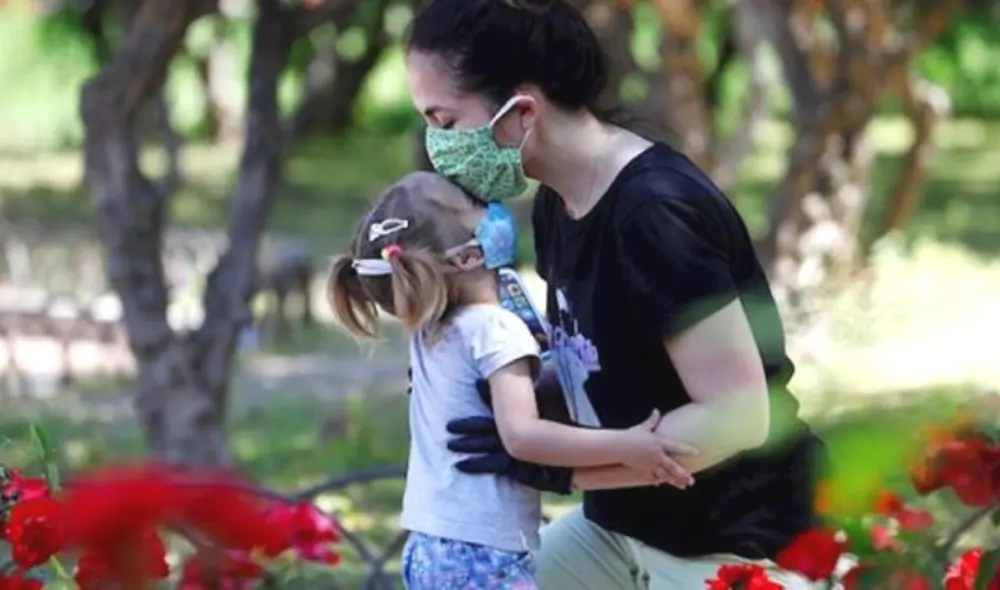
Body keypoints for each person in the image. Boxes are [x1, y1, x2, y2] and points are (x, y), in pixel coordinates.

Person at [404, 0, 829, 588]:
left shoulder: (654, 215)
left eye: (445, 121)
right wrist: (502, 384)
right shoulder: (560, 200)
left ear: (522, 110)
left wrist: (559, 471)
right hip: (621, 528)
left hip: (733, 542)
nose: (435, 144)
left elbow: (737, 415)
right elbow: (599, 364)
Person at [326, 172, 698, 589]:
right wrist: (628, 446)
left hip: (430, 548)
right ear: (467, 256)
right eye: (476, 207)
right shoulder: (496, 329)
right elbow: (522, 437)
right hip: (482, 555)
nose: (492, 211)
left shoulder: (432, 329)